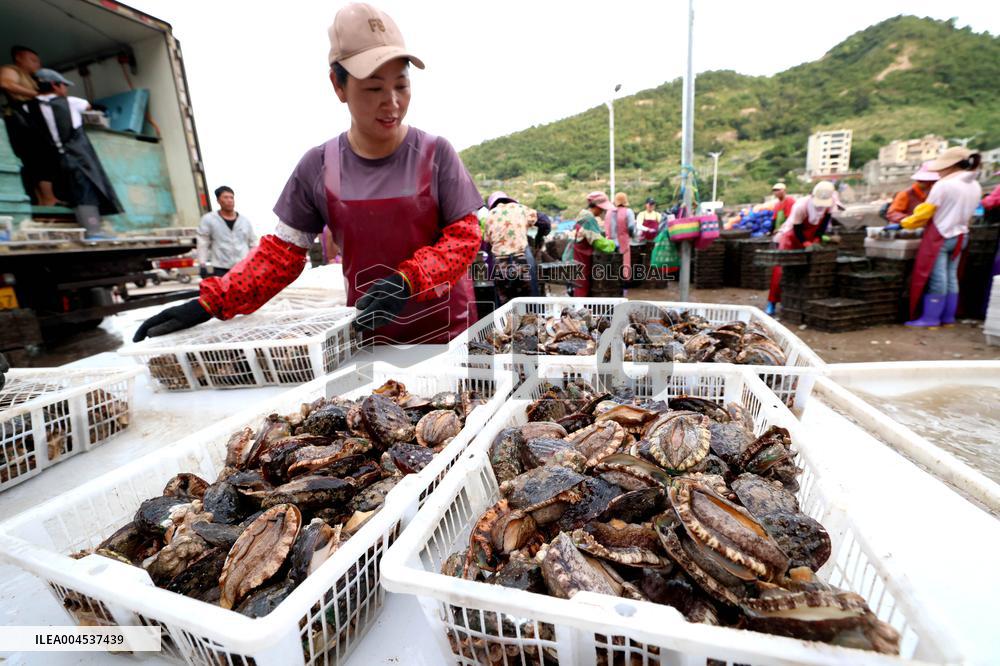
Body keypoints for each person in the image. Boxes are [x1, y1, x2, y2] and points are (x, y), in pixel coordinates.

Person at [134, 3, 482, 345]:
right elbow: (280, 255)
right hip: (369, 336)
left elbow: (464, 238)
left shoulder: (437, 154)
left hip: (449, 335)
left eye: (401, 86)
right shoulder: (319, 166)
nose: (391, 102)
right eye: (374, 88)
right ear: (338, 85)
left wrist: (409, 279)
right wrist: (211, 302)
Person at [34, 69, 123, 238]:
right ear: (55, 85)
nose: (65, 89)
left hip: (52, 158)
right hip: (76, 155)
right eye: (64, 85)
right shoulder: (70, 102)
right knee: (85, 192)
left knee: (72, 191)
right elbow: (90, 107)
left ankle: (89, 229)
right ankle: (93, 231)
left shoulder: (30, 106)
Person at [901, 147, 983, 328]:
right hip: (962, 235)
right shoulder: (974, 185)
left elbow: (925, 213)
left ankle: (931, 318)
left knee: (937, 278)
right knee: (952, 277)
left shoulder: (944, 185)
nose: (938, 171)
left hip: (941, 235)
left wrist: (905, 222)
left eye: (940, 167)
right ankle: (948, 317)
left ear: (951, 166)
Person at [765, 181, 837, 315]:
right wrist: (805, 243)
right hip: (791, 238)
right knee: (780, 270)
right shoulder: (801, 206)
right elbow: (797, 228)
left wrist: (816, 239)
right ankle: (772, 302)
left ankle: (797, 304)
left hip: (810, 237)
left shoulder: (830, 204)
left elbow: (823, 224)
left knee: (806, 271)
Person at [1, 45, 58, 206]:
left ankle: (44, 200)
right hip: (20, 118)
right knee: (37, 157)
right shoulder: (11, 70)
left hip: (33, 119)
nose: (37, 64)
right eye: (33, 60)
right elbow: (6, 84)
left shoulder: (33, 79)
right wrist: (38, 95)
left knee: (41, 158)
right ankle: (47, 198)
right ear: (18, 58)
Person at [483, 191, 535, 305]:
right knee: (525, 297)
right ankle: (528, 320)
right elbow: (541, 220)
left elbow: (487, 241)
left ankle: (506, 321)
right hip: (520, 259)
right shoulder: (520, 208)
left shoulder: (490, 215)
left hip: (501, 263)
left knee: (505, 299)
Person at [197, 186, 257, 277]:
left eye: (231, 197)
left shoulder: (244, 221)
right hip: (221, 268)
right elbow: (202, 243)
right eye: (225, 197)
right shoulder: (209, 219)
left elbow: (253, 243)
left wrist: (255, 263)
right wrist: (202, 264)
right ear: (218, 201)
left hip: (243, 267)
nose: (229, 200)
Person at [566, 192, 615, 297]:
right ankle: (579, 311)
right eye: (602, 208)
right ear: (596, 206)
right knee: (581, 289)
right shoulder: (589, 219)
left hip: (575, 258)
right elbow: (599, 243)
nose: (602, 211)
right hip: (582, 260)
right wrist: (612, 244)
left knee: (577, 285)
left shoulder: (583, 214)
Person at [606, 192, 635, 284]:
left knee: (612, 264)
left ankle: (611, 284)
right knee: (625, 265)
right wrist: (631, 235)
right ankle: (624, 285)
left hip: (609, 243)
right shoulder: (628, 212)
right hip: (623, 242)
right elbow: (631, 227)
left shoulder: (609, 212)